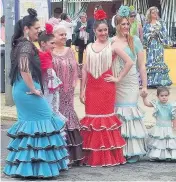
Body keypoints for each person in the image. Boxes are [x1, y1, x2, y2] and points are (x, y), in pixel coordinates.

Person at [3, 9, 69, 178]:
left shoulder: (20, 43)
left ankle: (30, 167)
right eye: (36, 28)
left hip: (21, 89)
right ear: (27, 28)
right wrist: (33, 88)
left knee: (31, 126)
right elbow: (24, 67)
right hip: (27, 91)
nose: (39, 31)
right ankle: (37, 167)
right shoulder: (25, 45)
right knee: (44, 121)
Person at [80, 9, 134, 167]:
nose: (103, 33)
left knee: (105, 121)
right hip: (91, 89)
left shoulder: (113, 46)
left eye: (105, 30)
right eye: (100, 30)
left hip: (106, 88)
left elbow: (129, 62)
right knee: (92, 121)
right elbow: (84, 69)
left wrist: (118, 78)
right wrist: (82, 89)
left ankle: (108, 157)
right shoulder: (88, 47)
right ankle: (92, 156)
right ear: (94, 31)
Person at [112, 5, 148, 163]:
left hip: (131, 82)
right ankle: (119, 147)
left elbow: (141, 66)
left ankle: (131, 150)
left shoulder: (136, 41)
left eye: (128, 24)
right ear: (117, 25)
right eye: (123, 24)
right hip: (116, 82)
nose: (126, 26)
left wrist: (144, 86)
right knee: (118, 113)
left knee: (129, 112)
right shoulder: (111, 41)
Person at [52, 25, 84, 166]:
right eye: (61, 35)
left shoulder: (70, 51)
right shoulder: (50, 51)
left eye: (65, 34)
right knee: (57, 114)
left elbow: (76, 67)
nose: (64, 37)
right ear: (54, 36)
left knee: (69, 113)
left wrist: (74, 83)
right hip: (54, 91)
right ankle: (59, 153)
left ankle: (72, 154)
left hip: (68, 90)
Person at [141, 86, 176, 161]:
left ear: (168, 96)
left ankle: (169, 155)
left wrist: (174, 126)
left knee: (168, 142)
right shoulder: (156, 104)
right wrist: (144, 97)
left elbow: (173, 117)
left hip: (168, 127)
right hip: (159, 128)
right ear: (157, 96)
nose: (164, 97)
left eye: (166, 95)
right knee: (159, 142)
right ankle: (158, 155)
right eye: (162, 96)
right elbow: (147, 104)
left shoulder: (171, 106)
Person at [38, 23, 64, 118]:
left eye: (54, 43)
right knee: (50, 114)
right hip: (46, 92)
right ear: (43, 43)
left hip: (49, 93)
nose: (54, 46)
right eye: (52, 43)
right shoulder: (41, 56)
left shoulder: (46, 55)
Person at [143, 6, 172, 88]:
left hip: (158, 46)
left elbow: (165, 33)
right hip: (150, 46)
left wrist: (158, 34)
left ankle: (160, 82)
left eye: (156, 12)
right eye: (153, 12)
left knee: (159, 61)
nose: (155, 14)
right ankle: (150, 82)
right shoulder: (147, 23)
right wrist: (150, 35)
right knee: (150, 61)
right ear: (150, 14)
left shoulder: (161, 22)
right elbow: (144, 34)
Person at [73, 12, 88, 78]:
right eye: (81, 18)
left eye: (84, 17)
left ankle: (88, 63)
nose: (83, 19)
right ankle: (80, 65)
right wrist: (80, 29)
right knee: (80, 52)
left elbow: (91, 30)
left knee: (88, 52)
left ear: (86, 17)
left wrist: (86, 29)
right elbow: (75, 30)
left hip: (87, 39)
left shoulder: (88, 23)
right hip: (80, 40)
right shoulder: (79, 23)